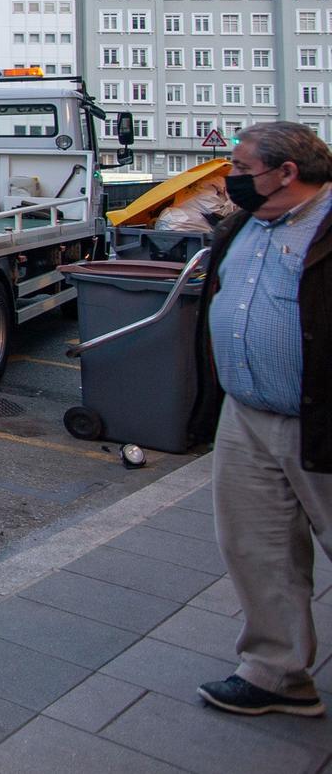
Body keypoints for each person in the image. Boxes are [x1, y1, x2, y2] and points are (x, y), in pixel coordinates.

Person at [195, 121, 332, 717]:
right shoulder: (245, 222)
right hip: (247, 414)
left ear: (287, 172)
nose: (233, 180)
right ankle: (276, 672)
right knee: (257, 547)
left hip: (318, 417)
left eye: (243, 170)